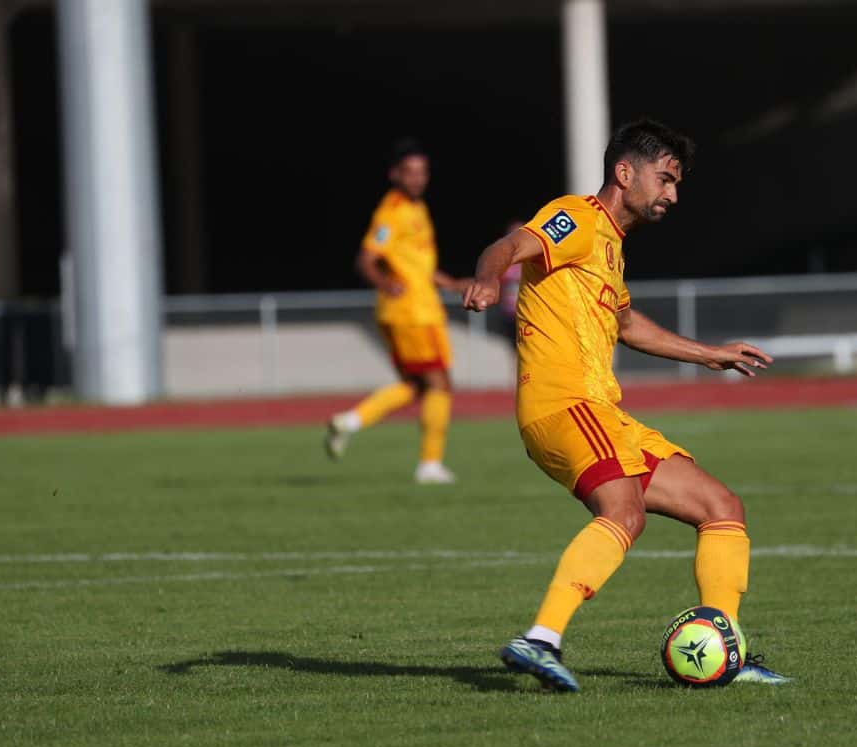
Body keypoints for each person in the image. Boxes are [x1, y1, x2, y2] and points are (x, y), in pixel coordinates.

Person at [463, 119, 792, 691]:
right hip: (563, 403)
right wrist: (490, 279)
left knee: (721, 506)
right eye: (665, 179)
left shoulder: (611, 247)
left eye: (676, 183)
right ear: (624, 172)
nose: (673, 195)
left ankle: (726, 650)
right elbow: (509, 246)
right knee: (624, 513)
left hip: (602, 411)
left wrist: (709, 354)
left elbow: (626, 323)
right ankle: (541, 639)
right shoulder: (578, 217)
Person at [325, 139, 470, 484]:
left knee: (415, 385)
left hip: (413, 309)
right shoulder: (391, 212)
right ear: (395, 174)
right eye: (410, 172)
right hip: (413, 313)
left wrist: (451, 283)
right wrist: (385, 283)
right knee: (440, 383)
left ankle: (349, 421)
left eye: (423, 172)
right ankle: (429, 465)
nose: (418, 178)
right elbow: (366, 259)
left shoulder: (416, 208)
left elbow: (418, 266)